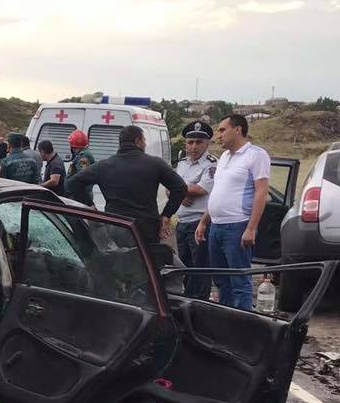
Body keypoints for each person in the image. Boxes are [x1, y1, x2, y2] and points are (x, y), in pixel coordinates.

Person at [194, 114, 271, 310]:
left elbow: (261, 193)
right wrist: (204, 221)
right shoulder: (224, 157)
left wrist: (251, 228)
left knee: (239, 281)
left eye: (222, 130)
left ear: (238, 129)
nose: (218, 135)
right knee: (221, 280)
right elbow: (217, 192)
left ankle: (242, 321)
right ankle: (225, 318)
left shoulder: (256, 155)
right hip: (216, 226)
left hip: (237, 225)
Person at [66, 125, 186, 243]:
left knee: (117, 256)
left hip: (115, 227)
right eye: (144, 141)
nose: (145, 144)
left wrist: (90, 205)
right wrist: (166, 215)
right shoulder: (155, 164)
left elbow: (72, 183)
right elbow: (180, 187)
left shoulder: (103, 166)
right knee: (147, 256)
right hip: (146, 229)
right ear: (137, 141)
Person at [173, 121, 216, 298]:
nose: (194, 146)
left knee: (200, 270)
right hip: (182, 224)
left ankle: (199, 304)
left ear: (207, 143)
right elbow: (169, 187)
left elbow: (201, 189)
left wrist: (178, 190)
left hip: (200, 224)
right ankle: (188, 302)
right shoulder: (182, 163)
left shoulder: (211, 164)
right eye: (190, 142)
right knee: (184, 268)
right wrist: (181, 193)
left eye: (199, 142)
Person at [66, 129, 96, 205]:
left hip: (79, 197)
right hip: (77, 195)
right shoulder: (81, 155)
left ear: (73, 147)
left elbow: (82, 177)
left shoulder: (83, 156)